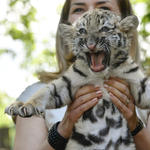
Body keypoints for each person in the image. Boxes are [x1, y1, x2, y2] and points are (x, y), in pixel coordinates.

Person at [13, 0, 150, 150]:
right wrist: (62, 130)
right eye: (79, 9)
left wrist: (135, 124)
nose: (89, 14)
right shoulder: (35, 94)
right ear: (70, 31)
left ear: (125, 26)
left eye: (104, 7)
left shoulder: (140, 80)